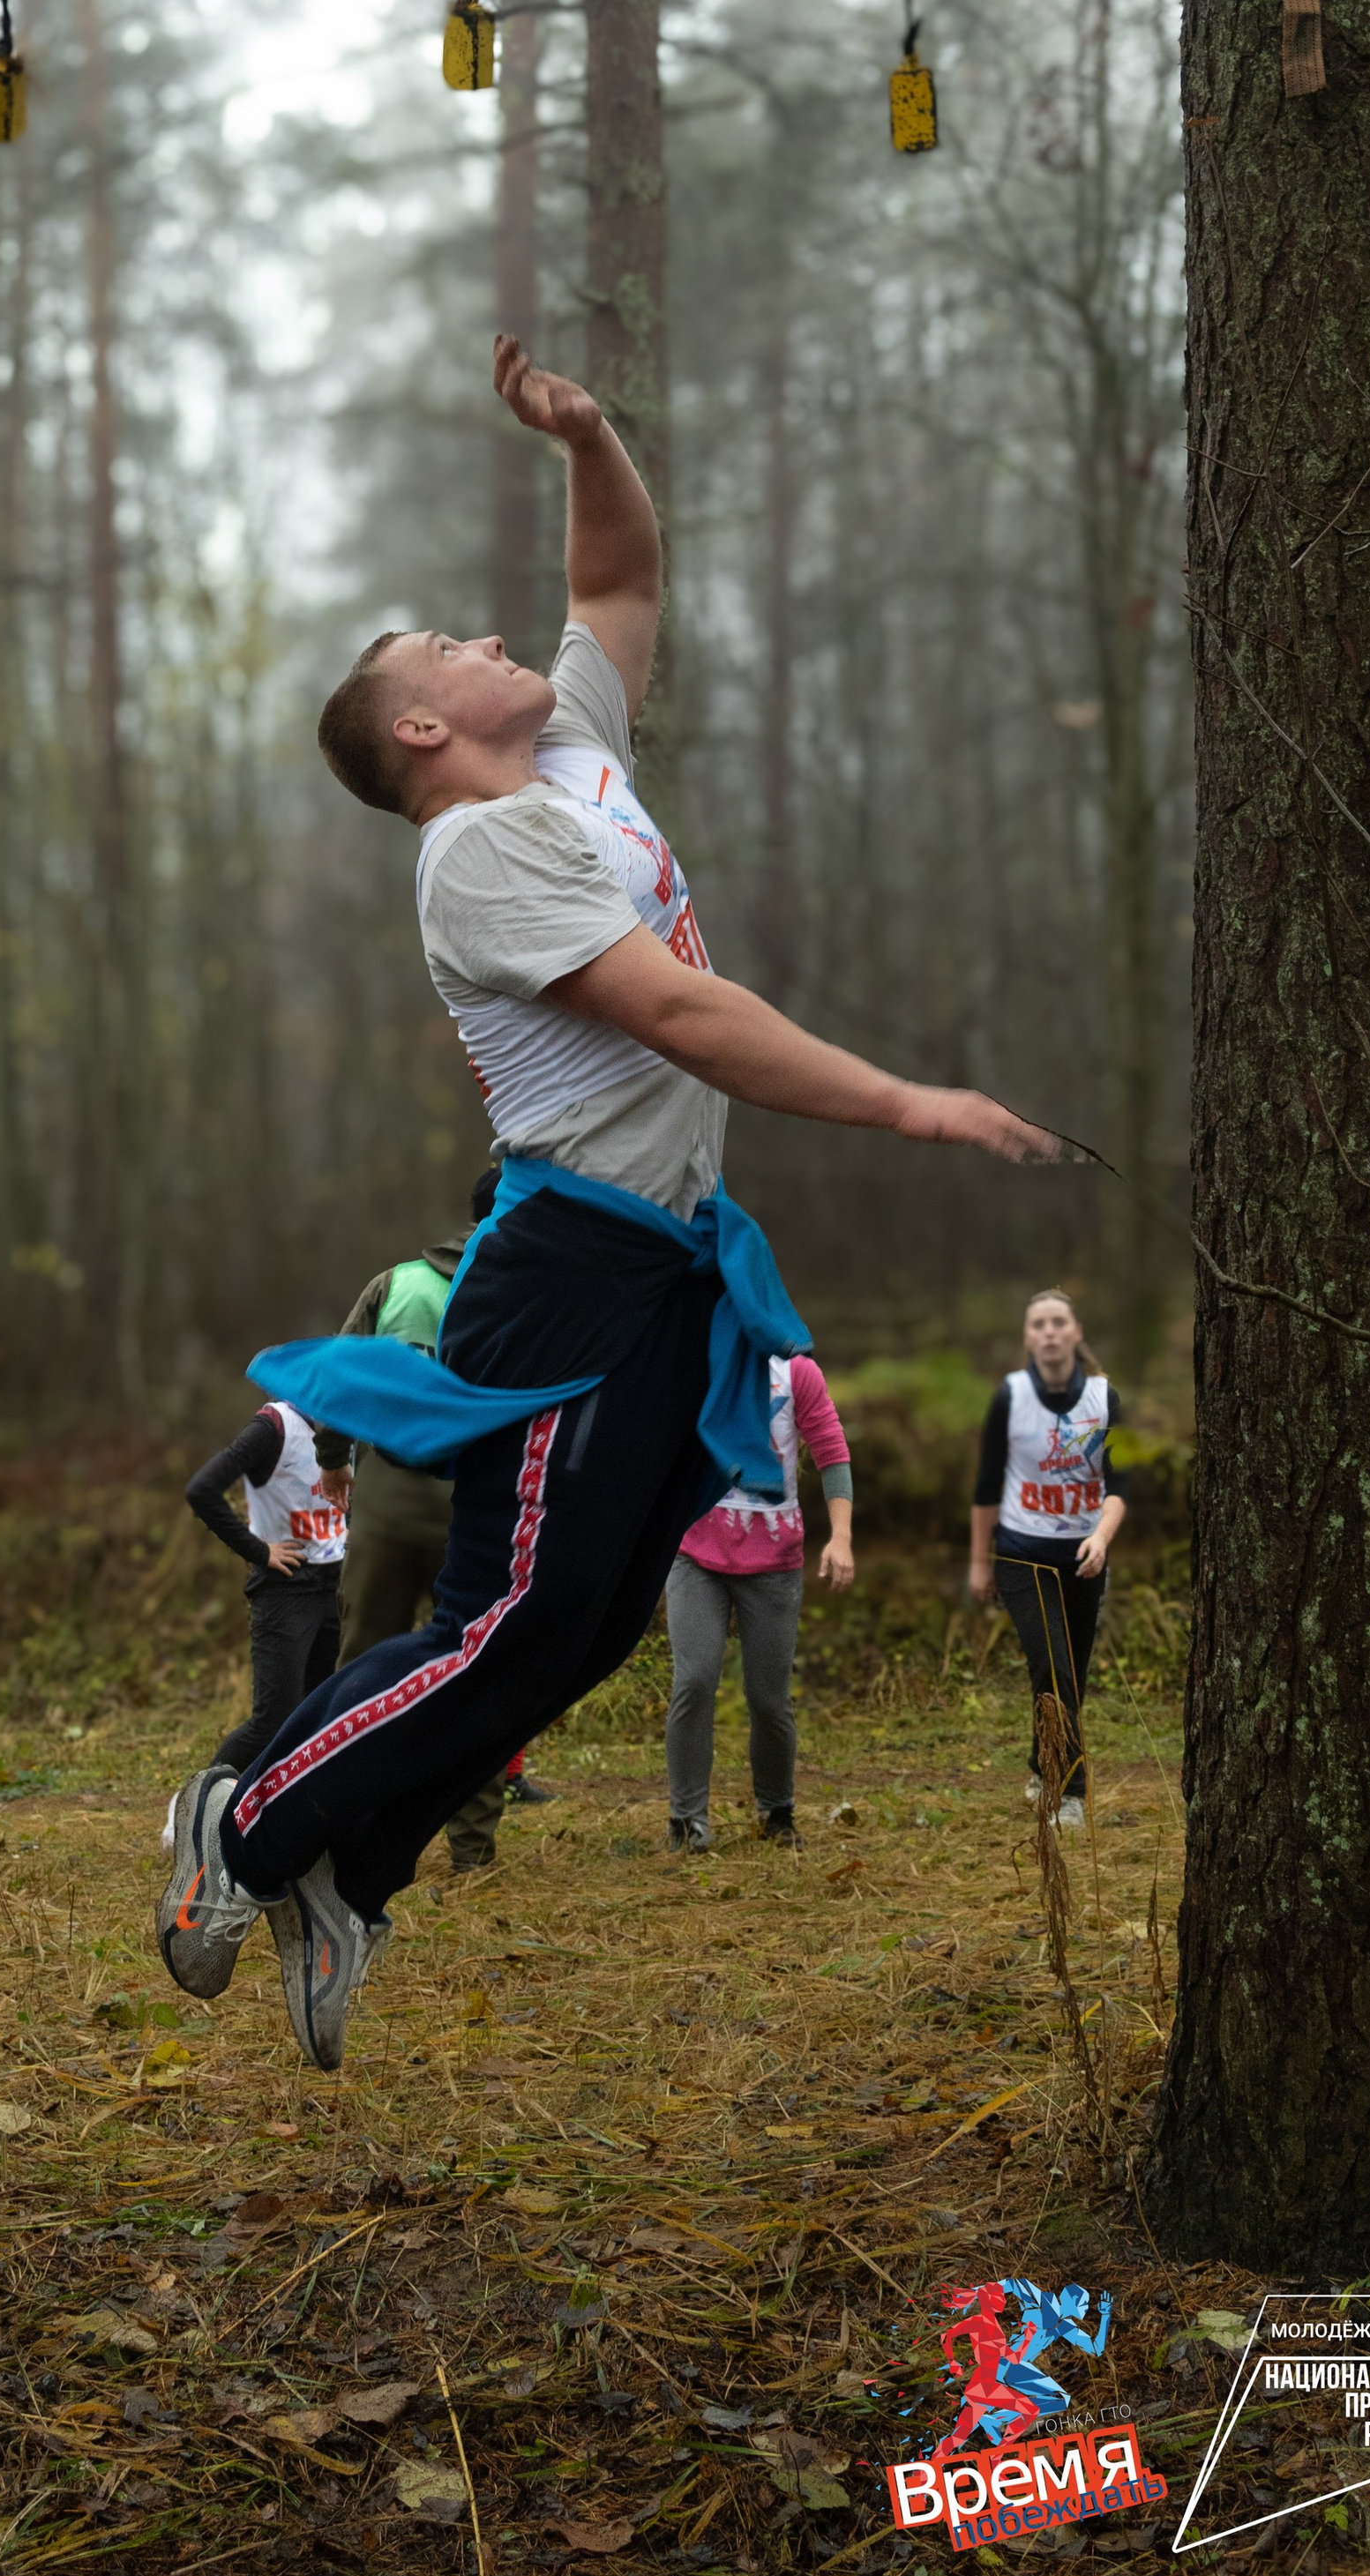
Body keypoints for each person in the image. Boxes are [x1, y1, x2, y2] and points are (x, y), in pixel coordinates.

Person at [157, 332, 1057, 2069]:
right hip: (567, 1264)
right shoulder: (475, 855)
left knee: (565, 1644)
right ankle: (244, 1823)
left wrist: (584, 437)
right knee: (492, 1618)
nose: (503, 642)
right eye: (456, 648)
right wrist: (903, 1103)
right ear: (422, 725)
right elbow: (674, 1013)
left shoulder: (566, 755)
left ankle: (351, 1873)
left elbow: (620, 573)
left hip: (664, 1269)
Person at [337, 1169, 520, 1876]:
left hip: (384, 1496)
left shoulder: (396, 1284)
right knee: (479, 1671)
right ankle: (473, 1853)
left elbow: (345, 1371)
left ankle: (344, 1824)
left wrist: (332, 1456)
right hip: (476, 1508)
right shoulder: (523, 1294)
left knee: (360, 1667)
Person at [663, 1350, 853, 1855]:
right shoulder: (702, 1359)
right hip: (695, 1551)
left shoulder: (797, 1374)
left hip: (774, 1558)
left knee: (768, 1699)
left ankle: (776, 1810)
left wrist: (841, 1537)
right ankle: (687, 1821)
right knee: (695, 1680)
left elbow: (832, 1451)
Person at [967, 1288, 1126, 1827]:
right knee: (1053, 1668)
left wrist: (1101, 1539)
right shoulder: (1010, 1398)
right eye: (1039, 1324)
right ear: (1028, 1337)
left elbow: (1118, 1486)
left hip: (1085, 1558)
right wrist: (979, 1562)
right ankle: (1071, 1790)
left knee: (1069, 1677)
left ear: (1076, 1332)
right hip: (1021, 1556)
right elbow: (987, 1488)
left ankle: (1041, 1761)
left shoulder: (1103, 1399)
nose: (1050, 1332)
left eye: (1059, 1322)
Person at [183, 1400, 350, 1779]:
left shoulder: (348, 1422)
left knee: (323, 1716)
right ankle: (193, 1808)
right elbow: (202, 1490)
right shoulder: (274, 1426)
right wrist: (259, 1551)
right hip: (285, 1588)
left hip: (335, 1585)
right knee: (273, 1724)